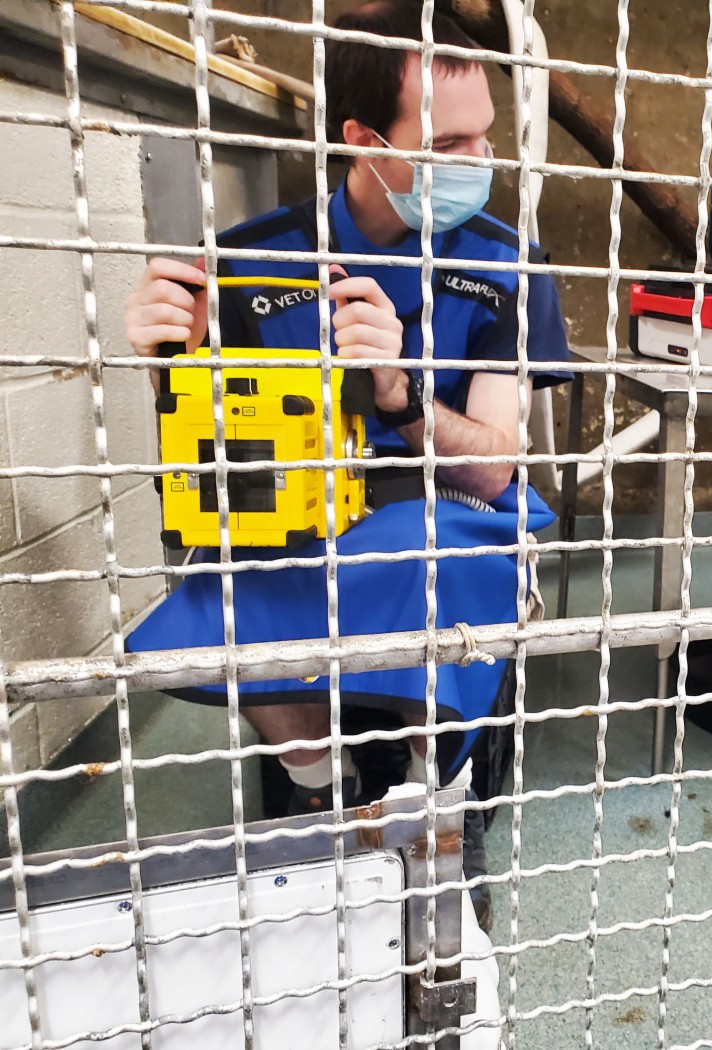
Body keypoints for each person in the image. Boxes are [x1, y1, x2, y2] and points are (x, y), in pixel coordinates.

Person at [123, 2, 572, 928]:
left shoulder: (506, 265)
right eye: (450, 140)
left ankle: (438, 810)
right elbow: (212, 462)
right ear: (364, 142)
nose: (479, 160)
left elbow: (495, 470)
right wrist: (173, 359)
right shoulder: (252, 261)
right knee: (226, 600)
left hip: (443, 505)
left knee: (445, 562)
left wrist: (402, 396)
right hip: (297, 512)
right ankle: (323, 795)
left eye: (485, 134)